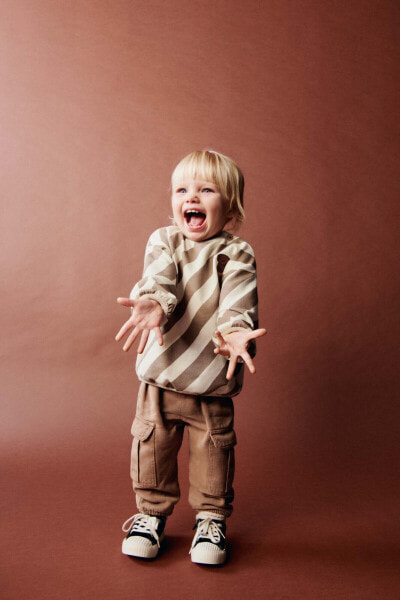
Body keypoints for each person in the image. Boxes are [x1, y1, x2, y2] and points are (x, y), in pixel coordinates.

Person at [115, 149, 266, 565]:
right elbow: (159, 276)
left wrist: (236, 334)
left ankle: (211, 519)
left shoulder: (238, 254)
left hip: (211, 380)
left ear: (230, 208)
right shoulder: (163, 240)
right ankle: (149, 515)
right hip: (160, 374)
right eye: (182, 189)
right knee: (152, 448)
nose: (190, 197)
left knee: (214, 451)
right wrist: (155, 303)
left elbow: (239, 303)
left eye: (206, 190)